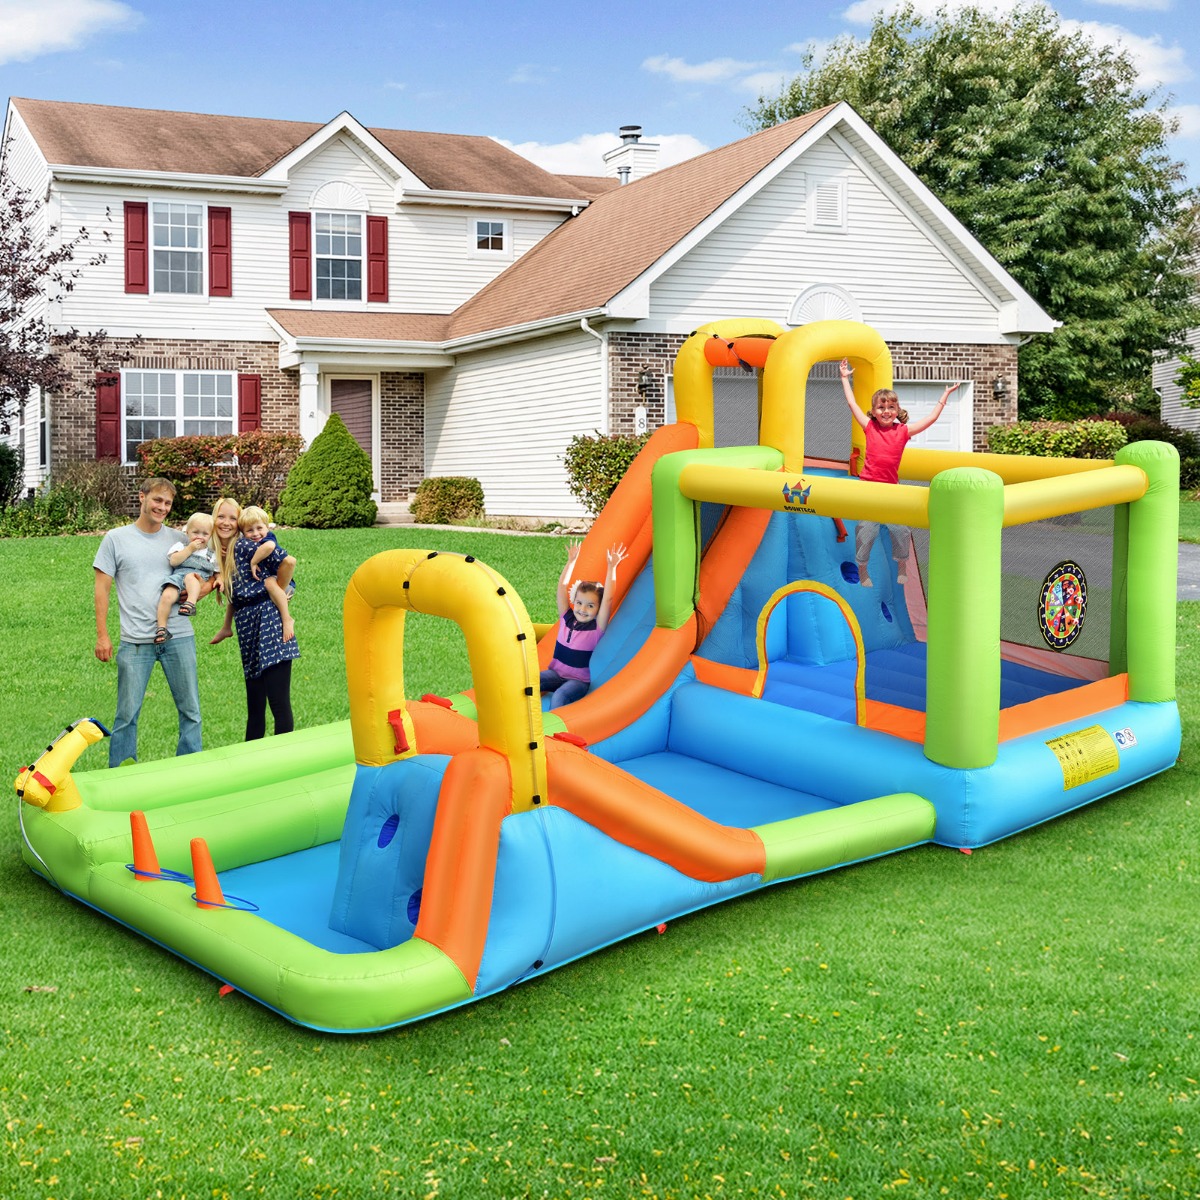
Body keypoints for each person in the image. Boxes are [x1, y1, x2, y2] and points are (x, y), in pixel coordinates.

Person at [93, 477, 202, 767]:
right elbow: (101, 591)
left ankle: (189, 771)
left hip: (178, 636)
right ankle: (122, 775)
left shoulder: (180, 540)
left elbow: (202, 577)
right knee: (126, 715)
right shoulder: (115, 539)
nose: (162, 507)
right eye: (157, 500)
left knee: (190, 710)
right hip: (135, 640)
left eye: (167, 503)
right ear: (142, 497)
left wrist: (195, 594)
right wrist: (103, 636)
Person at [840, 359, 961, 587]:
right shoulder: (869, 427)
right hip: (868, 488)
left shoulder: (903, 431)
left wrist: (943, 397)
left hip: (891, 490)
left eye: (891, 408)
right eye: (881, 408)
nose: (886, 412)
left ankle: (902, 565)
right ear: (874, 412)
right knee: (866, 531)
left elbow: (931, 419)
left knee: (901, 530)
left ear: (897, 411)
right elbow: (851, 403)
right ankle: (863, 570)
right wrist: (845, 378)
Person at [208, 498, 299, 740]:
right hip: (248, 625)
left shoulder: (248, 547)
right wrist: (226, 626)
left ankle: (284, 758)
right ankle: (253, 759)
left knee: (277, 701)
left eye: (232, 518)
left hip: (269, 621)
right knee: (255, 702)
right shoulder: (221, 553)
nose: (226, 523)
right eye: (221, 517)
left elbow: (287, 562)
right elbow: (235, 598)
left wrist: (284, 592)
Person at [540, 541, 627, 709]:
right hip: (556, 674)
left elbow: (608, 597)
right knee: (530, 683)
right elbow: (561, 588)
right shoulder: (567, 617)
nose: (583, 609)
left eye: (590, 605)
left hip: (579, 681)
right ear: (574, 601)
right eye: (579, 603)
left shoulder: (596, 628)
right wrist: (571, 562)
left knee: (560, 695)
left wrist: (612, 567)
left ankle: (555, 733)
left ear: (598, 609)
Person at [153, 511, 217, 643]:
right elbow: (174, 561)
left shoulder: (211, 554)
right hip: (177, 577)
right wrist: (190, 549)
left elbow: (217, 571)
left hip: (197, 579)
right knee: (166, 595)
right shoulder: (181, 546)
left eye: (205, 534)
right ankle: (162, 628)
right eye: (195, 532)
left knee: (190, 577)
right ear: (187, 532)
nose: (200, 537)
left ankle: (190, 604)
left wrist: (219, 580)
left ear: (210, 536)